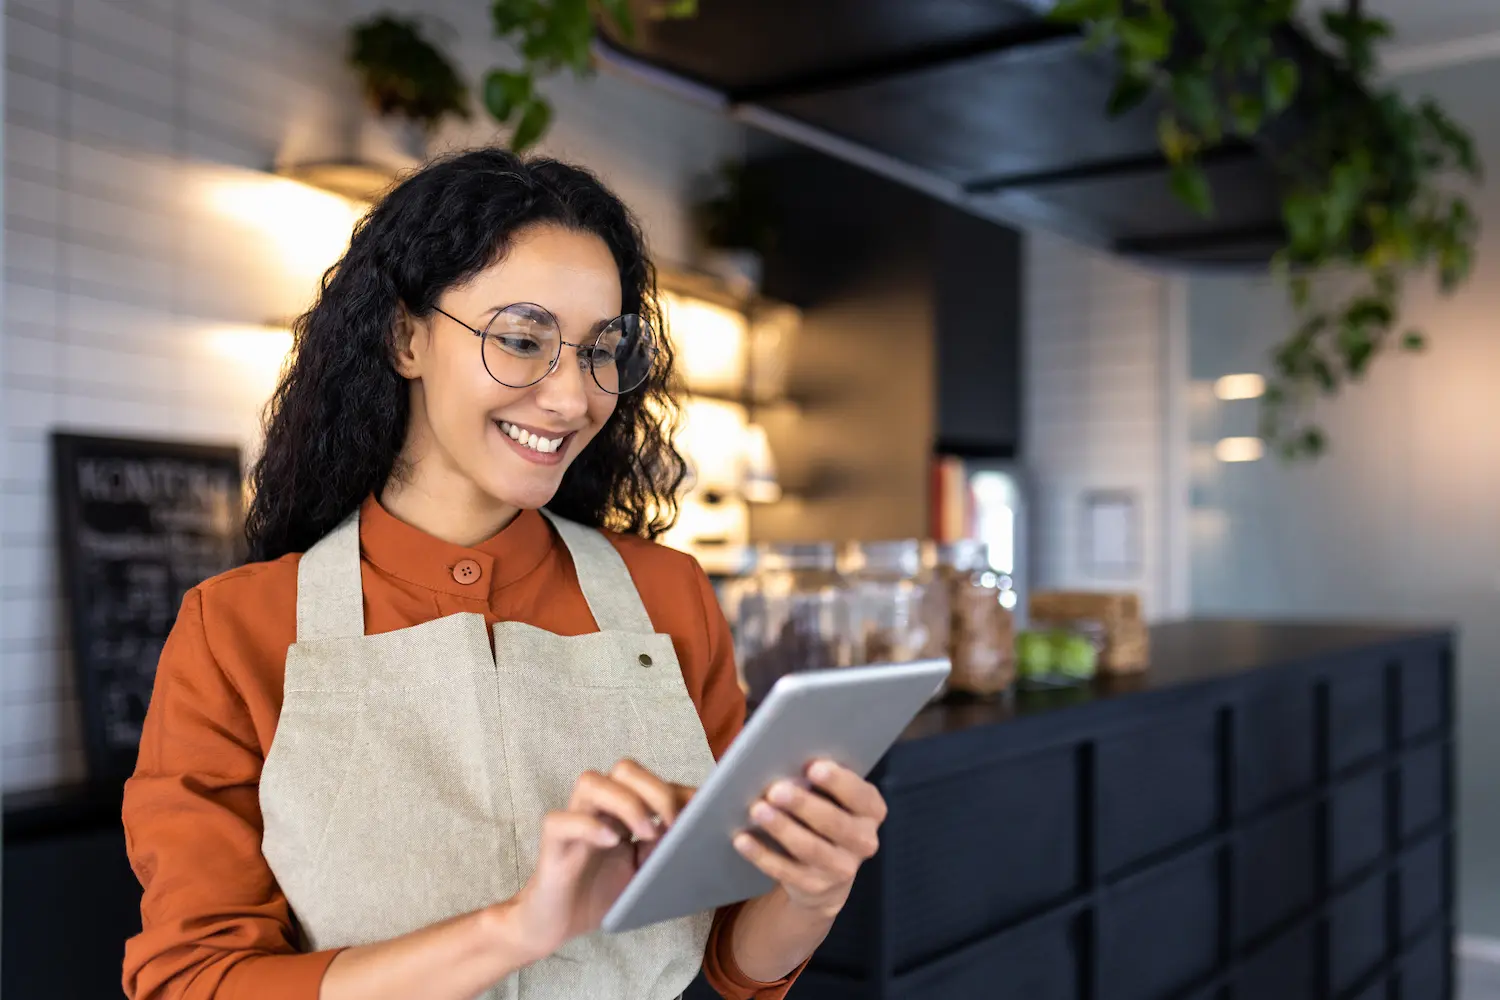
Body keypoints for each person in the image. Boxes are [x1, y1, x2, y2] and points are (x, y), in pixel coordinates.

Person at [121, 150, 888, 1000]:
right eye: (522, 340)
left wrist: (812, 891)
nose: (572, 399)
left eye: (601, 351)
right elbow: (195, 982)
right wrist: (517, 930)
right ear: (404, 335)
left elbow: (731, 956)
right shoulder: (238, 628)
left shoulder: (668, 596)